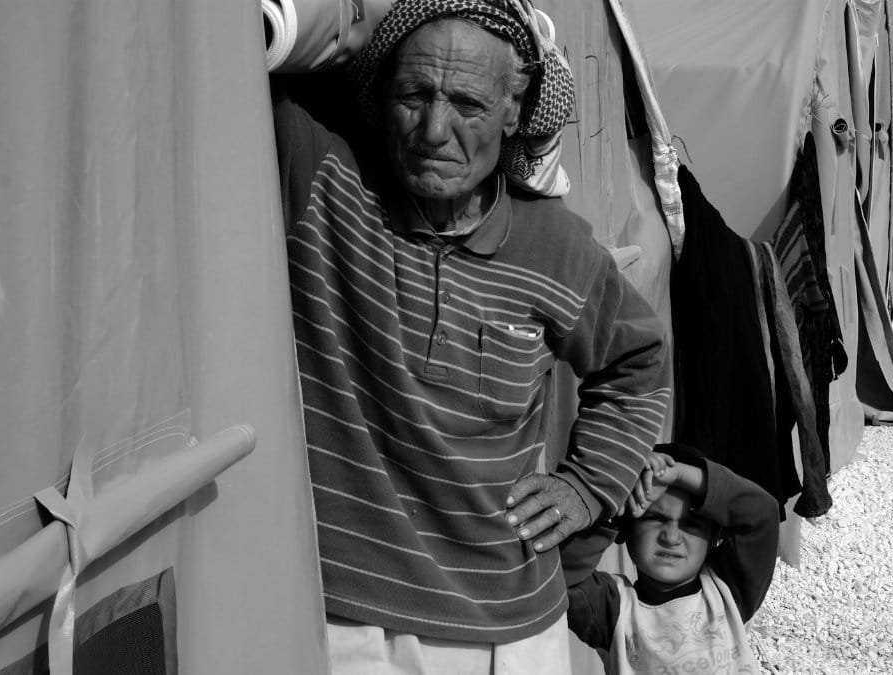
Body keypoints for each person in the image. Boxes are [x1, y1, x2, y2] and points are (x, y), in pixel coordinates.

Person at [271, 1, 672, 671]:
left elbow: (638, 360)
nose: (434, 128)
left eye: (467, 104)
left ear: (513, 112)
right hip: (337, 614)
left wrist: (586, 485)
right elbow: (242, 39)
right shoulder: (325, 177)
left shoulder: (554, 245)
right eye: (413, 95)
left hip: (507, 627)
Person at [562, 444, 780, 674]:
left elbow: (762, 513)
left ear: (714, 536)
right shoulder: (611, 608)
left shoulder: (727, 590)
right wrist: (617, 501)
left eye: (691, 524)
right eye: (655, 518)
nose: (671, 537)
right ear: (625, 528)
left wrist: (674, 474)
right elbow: (559, 576)